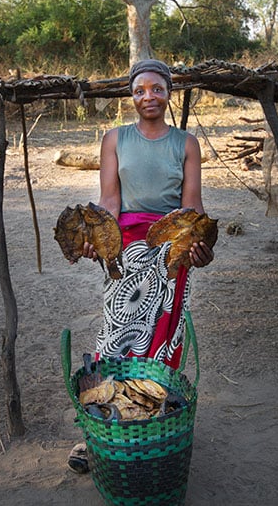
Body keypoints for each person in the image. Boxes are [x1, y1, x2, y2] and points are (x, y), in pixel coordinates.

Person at [68, 58, 214, 474]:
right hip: (126, 249)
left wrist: (202, 247)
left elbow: (192, 208)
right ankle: (97, 434)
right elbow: (110, 202)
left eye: (156, 89)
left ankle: (153, 431)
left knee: (164, 338)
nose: (147, 96)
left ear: (169, 93)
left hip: (172, 251)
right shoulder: (114, 139)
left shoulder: (186, 144)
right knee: (115, 335)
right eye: (139, 90)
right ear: (131, 97)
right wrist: (95, 236)